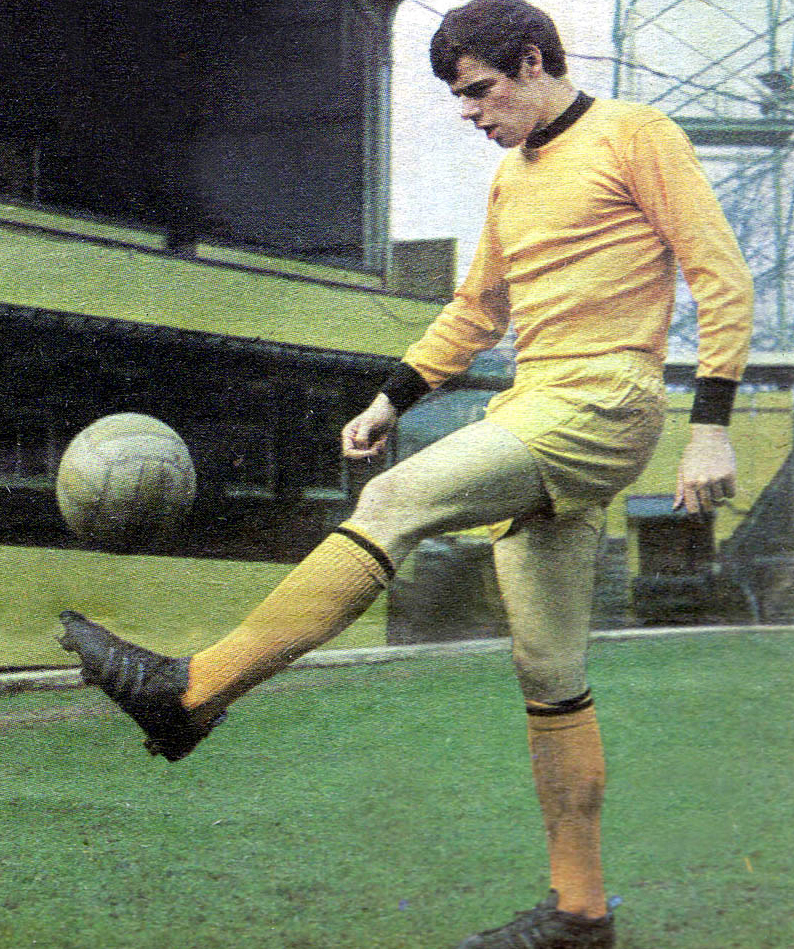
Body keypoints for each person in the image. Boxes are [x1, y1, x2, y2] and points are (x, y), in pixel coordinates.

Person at [58, 2, 753, 946]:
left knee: (393, 499)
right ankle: (582, 912)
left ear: (535, 61)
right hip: (535, 407)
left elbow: (720, 276)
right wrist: (393, 396)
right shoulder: (513, 178)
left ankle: (189, 693)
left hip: (603, 403)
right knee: (549, 671)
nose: (470, 113)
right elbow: (478, 309)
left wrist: (710, 429)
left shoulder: (638, 133)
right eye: (460, 99)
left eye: (480, 91)